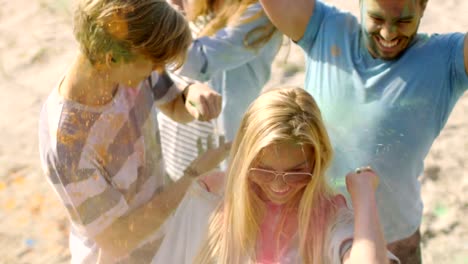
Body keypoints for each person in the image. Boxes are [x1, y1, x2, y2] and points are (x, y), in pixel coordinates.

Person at [258, 0, 468, 262]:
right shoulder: (325, 28)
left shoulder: (446, 59)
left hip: (394, 240)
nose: (388, 34)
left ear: (423, 8)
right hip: (317, 233)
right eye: (377, 19)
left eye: (403, 22)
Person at [38, 0, 222, 263]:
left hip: (164, 235)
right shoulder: (69, 144)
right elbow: (119, 238)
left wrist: (193, 94)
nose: (158, 70)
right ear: (111, 58)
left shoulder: (127, 65)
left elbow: (174, 104)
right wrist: (192, 178)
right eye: (154, 62)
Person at [152, 87, 400, 264]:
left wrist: (364, 194)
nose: (280, 186)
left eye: (297, 172)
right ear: (244, 157)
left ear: (318, 159)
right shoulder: (209, 197)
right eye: (264, 171)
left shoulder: (328, 217)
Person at [158, 0, 283, 181]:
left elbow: (196, 61)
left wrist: (159, 17)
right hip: (175, 143)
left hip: (217, 153)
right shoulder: (204, 4)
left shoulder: (260, 12)